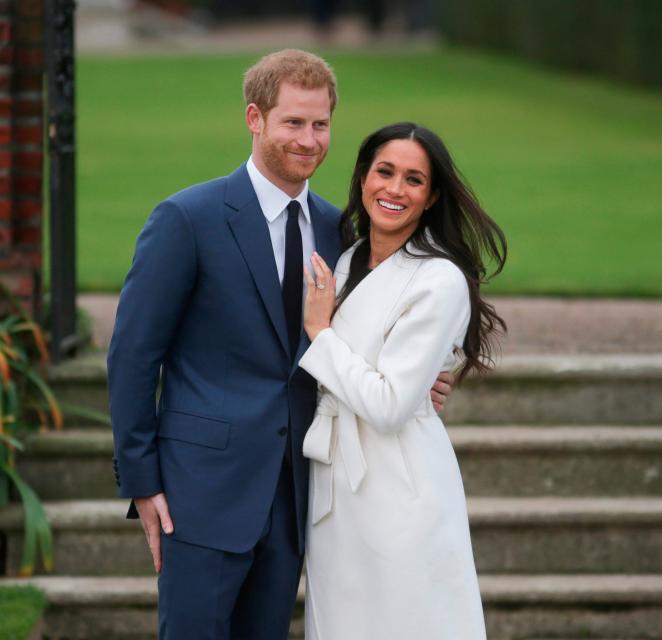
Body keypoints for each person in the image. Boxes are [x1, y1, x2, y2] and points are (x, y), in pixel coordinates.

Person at [106, 51, 453, 639]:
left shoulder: (340, 230)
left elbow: (364, 336)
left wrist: (419, 379)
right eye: (293, 122)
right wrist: (143, 483)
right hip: (201, 493)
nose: (309, 139)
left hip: (298, 497)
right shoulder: (188, 218)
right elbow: (134, 355)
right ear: (255, 118)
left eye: (320, 125)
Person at [298, 122, 507, 639]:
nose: (394, 189)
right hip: (334, 483)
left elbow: (391, 404)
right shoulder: (346, 261)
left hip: (399, 483)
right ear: (363, 177)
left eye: (414, 180)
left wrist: (320, 334)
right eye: (384, 172)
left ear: (432, 196)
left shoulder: (439, 279)